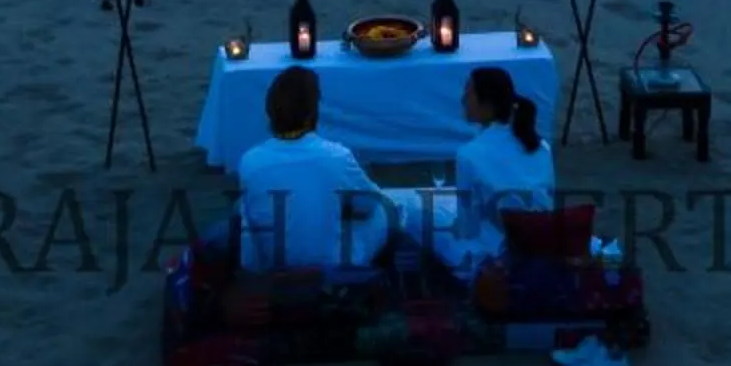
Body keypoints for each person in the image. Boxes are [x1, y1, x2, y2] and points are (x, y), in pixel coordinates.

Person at [232, 65, 419, 270]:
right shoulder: (336, 156)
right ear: (312, 111)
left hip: (273, 263)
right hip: (332, 263)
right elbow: (368, 205)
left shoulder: (250, 161)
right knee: (389, 208)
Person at [439, 65, 556, 271]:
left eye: (469, 91)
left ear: (487, 103)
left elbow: (469, 227)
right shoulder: (540, 146)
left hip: (496, 254)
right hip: (543, 242)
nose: (463, 99)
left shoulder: (469, 154)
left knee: (419, 219)